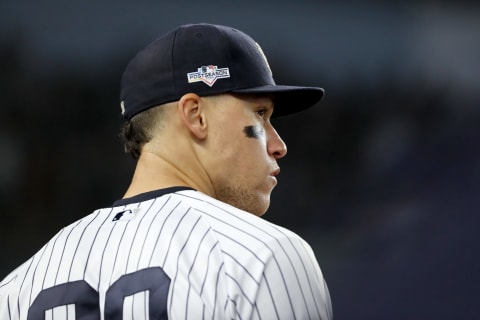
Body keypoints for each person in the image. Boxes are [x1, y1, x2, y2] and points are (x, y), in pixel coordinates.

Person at [0, 23, 332, 319]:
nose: (278, 144)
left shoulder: (17, 287)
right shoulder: (263, 255)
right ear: (196, 115)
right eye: (260, 114)